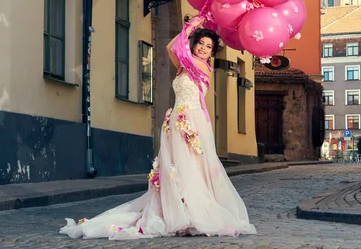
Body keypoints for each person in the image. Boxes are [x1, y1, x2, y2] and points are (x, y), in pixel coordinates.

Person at [60, 17, 256, 240]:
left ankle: (192, 213)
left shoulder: (201, 66)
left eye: (208, 46)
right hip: (177, 120)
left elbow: (179, 50)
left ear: (212, 53)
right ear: (195, 45)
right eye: (200, 43)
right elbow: (170, 47)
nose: (203, 48)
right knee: (176, 166)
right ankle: (178, 209)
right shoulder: (183, 66)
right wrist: (189, 27)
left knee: (192, 166)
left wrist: (193, 27)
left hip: (192, 121)